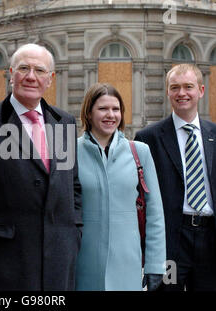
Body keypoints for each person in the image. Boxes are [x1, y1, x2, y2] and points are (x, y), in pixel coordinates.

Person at [0, 43, 82, 291]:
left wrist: (73, 233)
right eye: (23, 68)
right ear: (11, 73)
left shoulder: (65, 122)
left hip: (58, 261)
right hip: (3, 264)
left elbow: (74, 186)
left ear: (50, 79)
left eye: (39, 70)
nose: (30, 76)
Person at [135, 64, 216, 291]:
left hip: (211, 243)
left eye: (188, 87)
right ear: (168, 92)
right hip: (171, 245)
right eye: (175, 87)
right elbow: (141, 197)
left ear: (201, 90)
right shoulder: (148, 137)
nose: (182, 93)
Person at [75, 83, 166, 291]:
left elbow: (155, 213)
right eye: (102, 109)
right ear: (88, 113)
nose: (110, 115)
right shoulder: (71, 153)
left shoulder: (139, 152)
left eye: (115, 109)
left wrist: (155, 264)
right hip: (83, 264)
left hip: (128, 263)